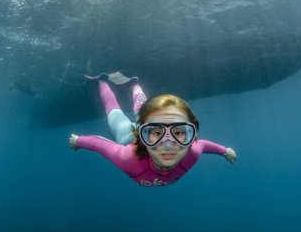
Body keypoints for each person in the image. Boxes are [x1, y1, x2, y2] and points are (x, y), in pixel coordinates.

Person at [69, 72, 237, 187]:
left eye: (179, 132)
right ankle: (103, 80)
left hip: (144, 132)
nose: (168, 144)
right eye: (157, 132)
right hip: (129, 138)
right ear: (141, 134)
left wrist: (224, 151)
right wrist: (79, 141)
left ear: (191, 136)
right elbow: (99, 145)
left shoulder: (192, 151)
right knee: (115, 112)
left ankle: (134, 84)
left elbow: (203, 144)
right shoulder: (129, 157)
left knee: (141, 110)